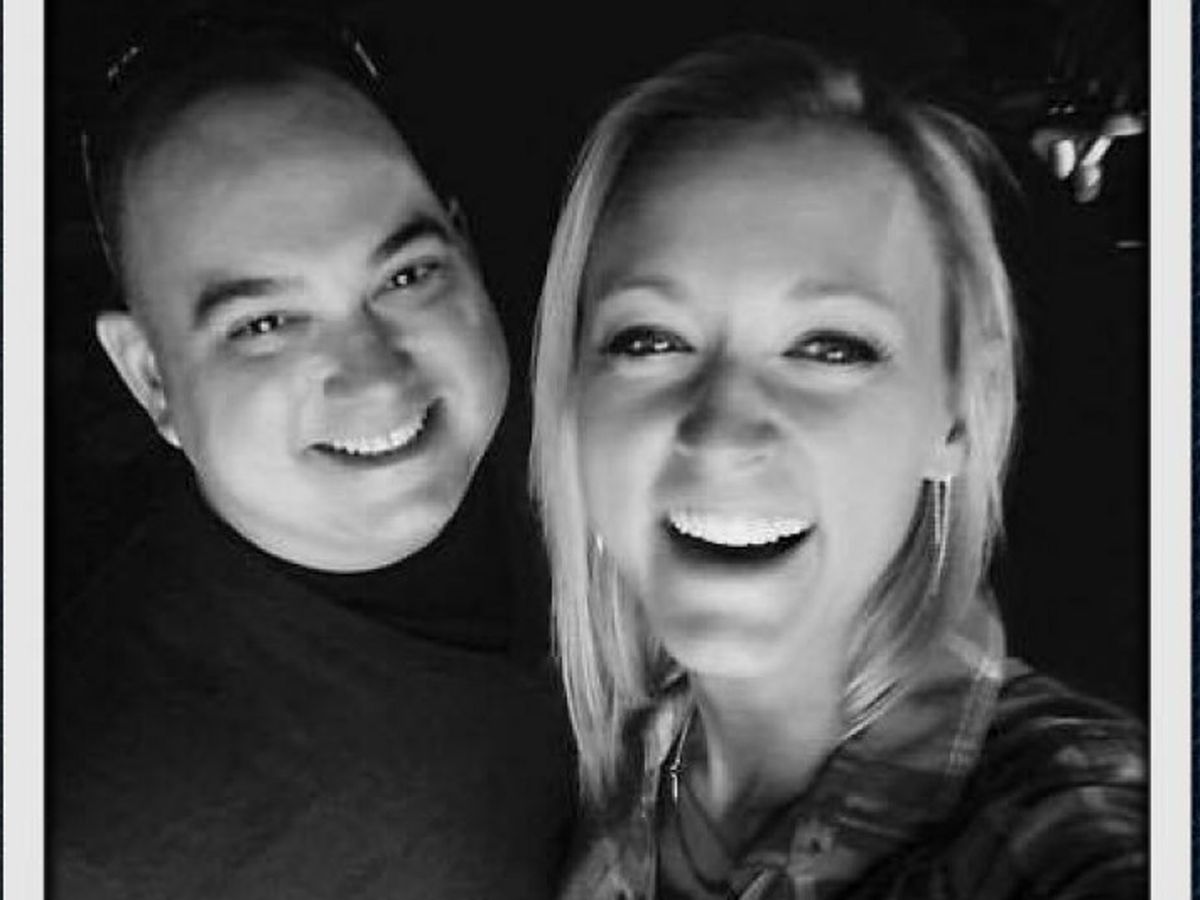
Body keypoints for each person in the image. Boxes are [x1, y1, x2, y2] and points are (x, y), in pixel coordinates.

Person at [529, 36, 1146, 899]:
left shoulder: (1059, 817)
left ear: (958, 412)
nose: (721, 433)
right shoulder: (615, 778)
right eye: (649, 340)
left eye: (830, 347)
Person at [50, 9, 573, 898]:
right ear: (150, 378)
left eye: (406, 276)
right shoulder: (111, 825)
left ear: (466, 252)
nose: (376, 377)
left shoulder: (621, 437)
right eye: (264, 325)